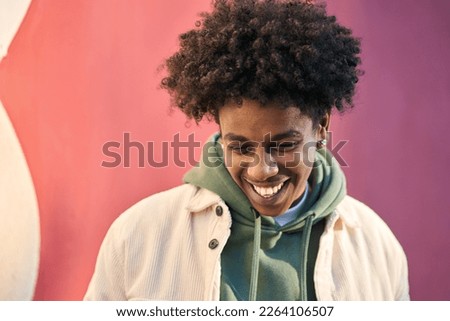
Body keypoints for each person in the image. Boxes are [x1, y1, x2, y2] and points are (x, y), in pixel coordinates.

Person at [84, 0, 409, 301]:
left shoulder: (377, 247)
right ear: (220, 130)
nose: (260, 170)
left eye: (283, 145)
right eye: (240, 146)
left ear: (321, 125)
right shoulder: (139, 236)